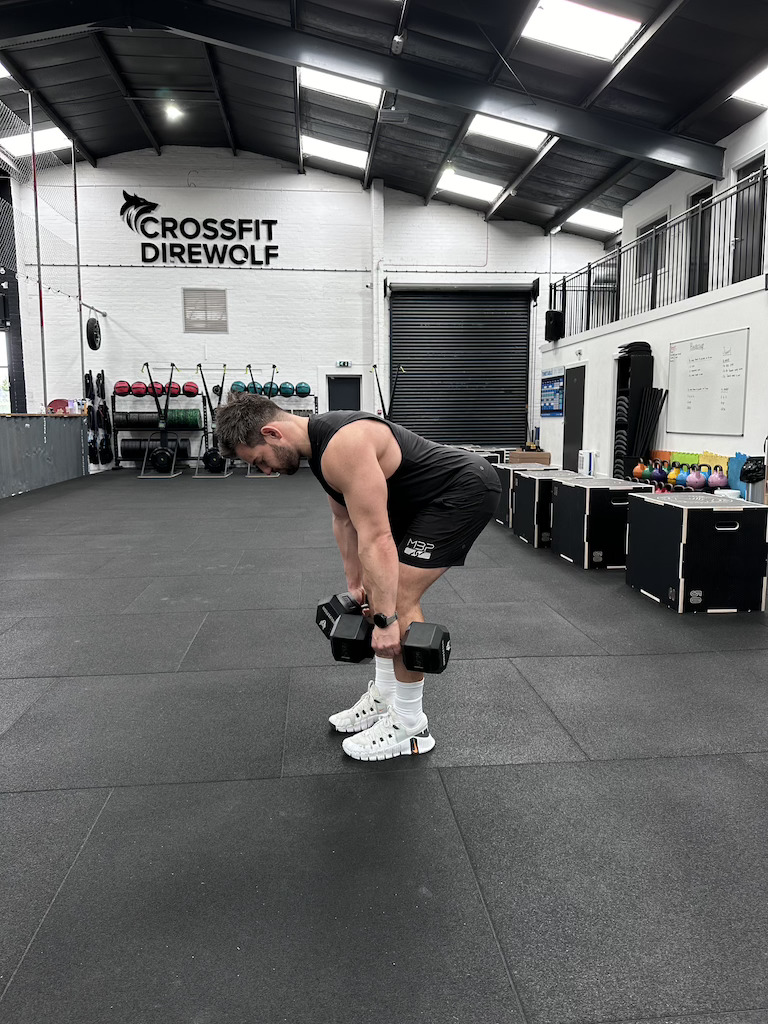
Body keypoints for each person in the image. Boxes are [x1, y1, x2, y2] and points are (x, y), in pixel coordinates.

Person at [215, 393, 501, 761]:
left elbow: (377, 537)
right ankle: (384, 699)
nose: (265, 471)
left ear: (272, 433)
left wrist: (385, 621)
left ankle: (411, 724)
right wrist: (357, 585)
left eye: (259, 461)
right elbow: (344, 520)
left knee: (397, 599)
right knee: (376, 590)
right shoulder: (319, 449)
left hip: (462, 490)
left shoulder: (342, 444)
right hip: (418, 501)